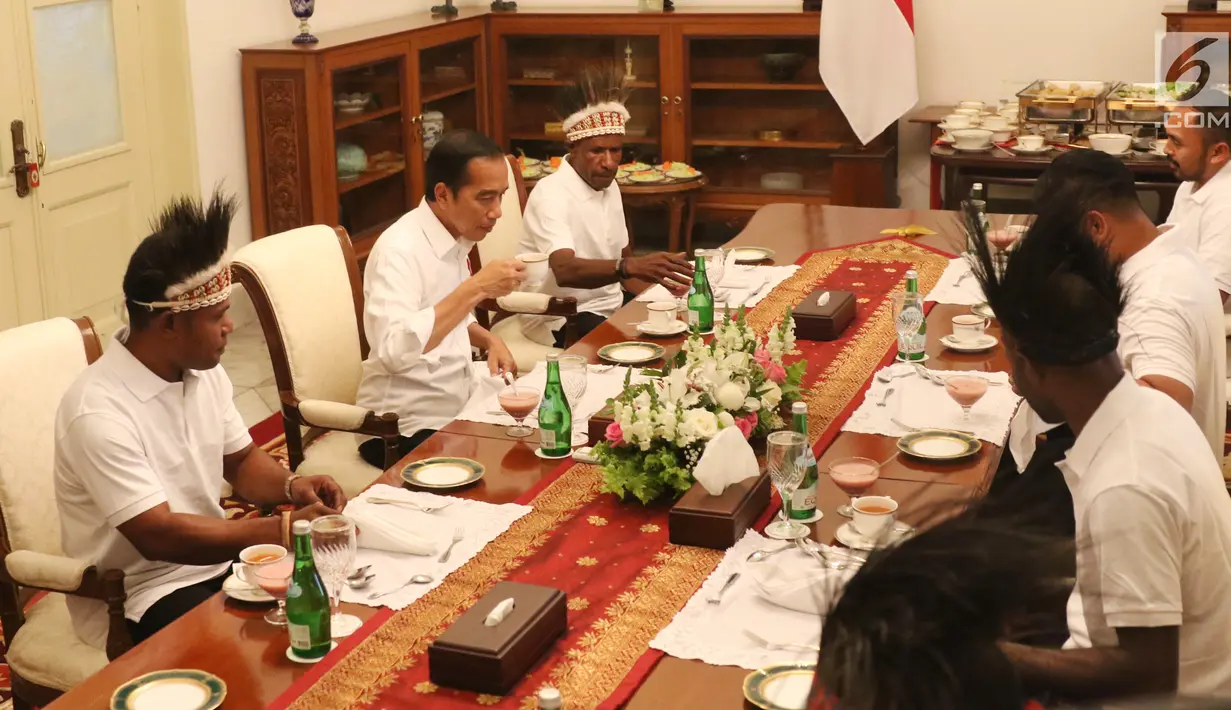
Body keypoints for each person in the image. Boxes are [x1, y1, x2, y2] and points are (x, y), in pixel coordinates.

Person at [55, 190, 347, 648]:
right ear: (169, 323)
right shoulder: (97, 410)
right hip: (142, 593)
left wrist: (293, 487)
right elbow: (159, 535)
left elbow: (242, 462)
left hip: (218, 563)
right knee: (251, 654)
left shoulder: (200, 371)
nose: (230, 327)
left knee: (332, 605)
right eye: (219, 316)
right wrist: (284, 529)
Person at [973, 200, 1231, 699]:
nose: (1010, 377)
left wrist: (986, 656)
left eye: (1009, 360)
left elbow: (1147, 673)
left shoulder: (1126, 483)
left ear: (1028, 363)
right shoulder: (1151, 413)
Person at [1020, 149, 1225, 460]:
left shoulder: (1154, 296)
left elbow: (1168, 405)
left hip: (1146, 482)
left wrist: (1060, 377)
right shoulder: (1170, 250)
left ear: (1096, 227)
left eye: (1065, 242)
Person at [356, 129, 526, 468]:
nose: (497, 212)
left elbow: (447, 317)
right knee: (496, 472)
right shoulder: (399, 251)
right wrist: (477, 287)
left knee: (538, 436)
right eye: (485, 198)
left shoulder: (454, 236)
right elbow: (393, 350)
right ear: (443, 194)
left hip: (455, 403)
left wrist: (488, 337)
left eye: (501, 196)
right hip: (401, 426)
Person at [518, 66, 694, 347]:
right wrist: (631, 266)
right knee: (637, 350)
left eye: (616, 150)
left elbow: (625, 270)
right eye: (597, 151)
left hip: (610, 304)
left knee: (682, 327)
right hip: (560, 314)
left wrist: (668, 289)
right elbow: (565, 270)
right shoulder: (550, 193)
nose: (610, 162)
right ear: (573, 149)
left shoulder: (609, 184)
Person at [1163, 105, 1231, 302]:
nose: (1166, 148)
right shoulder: (1191, 183)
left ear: (1217, 152)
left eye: (1176, 141)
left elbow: (1209, 299)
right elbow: (1165, 246)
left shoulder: (1226, 206)